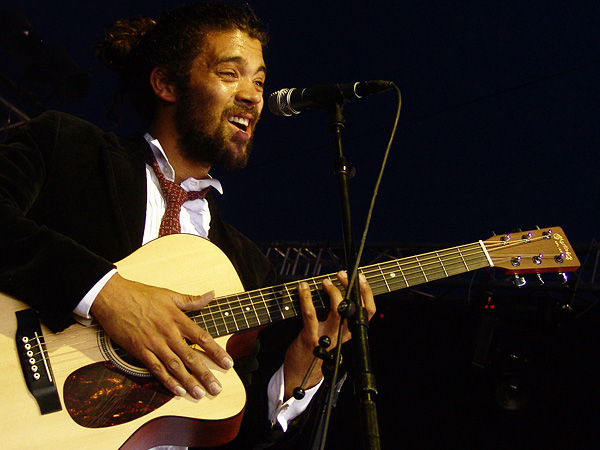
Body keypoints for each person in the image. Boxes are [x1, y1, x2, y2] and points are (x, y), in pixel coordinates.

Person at [0, 2, 375, 449]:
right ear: (166, 83)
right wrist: (107, 295)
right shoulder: (68, 148)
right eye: (230, 73)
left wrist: (305, 366)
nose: (253, 96)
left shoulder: (246, 265)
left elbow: (230, 427)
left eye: (259, 81)